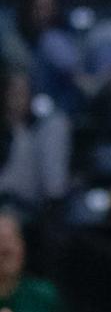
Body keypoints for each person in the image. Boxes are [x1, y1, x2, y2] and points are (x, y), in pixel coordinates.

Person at [0, 65, 72, 208]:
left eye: (23, 93)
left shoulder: (42, 130)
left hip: (26, 206)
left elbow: (53, 185)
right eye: (13, 93)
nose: (17, 100)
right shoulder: (7, 133)